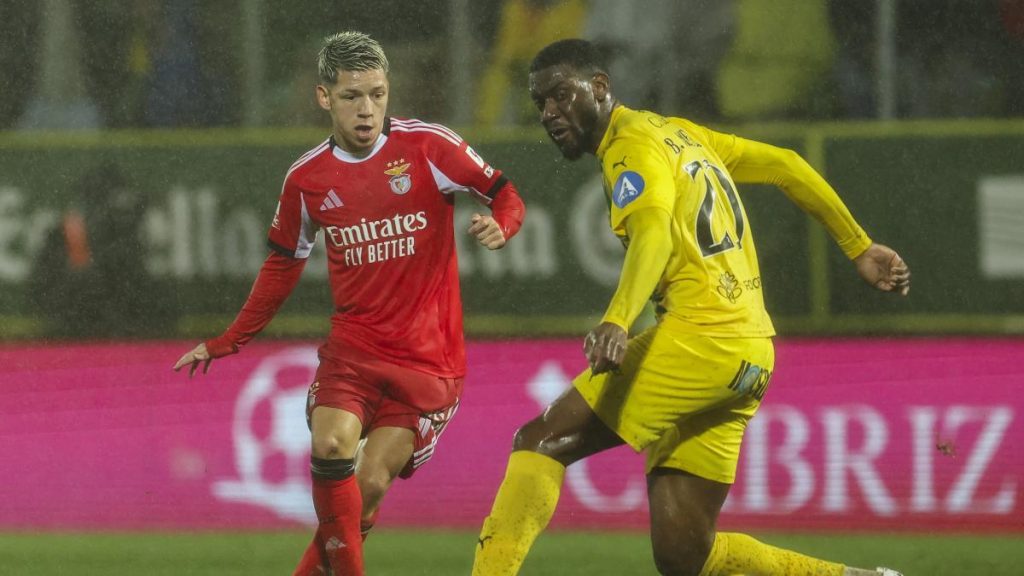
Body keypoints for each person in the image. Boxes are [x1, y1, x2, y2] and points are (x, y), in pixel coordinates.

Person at [471, 39, 909, 576]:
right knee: (685, 555)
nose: (551, 114)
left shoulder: (629, 147)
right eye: (541, 103)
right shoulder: (680, 134)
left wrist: (617, 319)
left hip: (701, 338)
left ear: (601, 87)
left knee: (540, 439)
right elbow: (788, 165)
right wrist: (858, 246)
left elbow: (652, 231)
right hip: (750, 356)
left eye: (562, 95)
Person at [173, 31, 525, 576]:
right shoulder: (307, 180)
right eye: (351, 96)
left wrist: (503, 225)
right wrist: (229, 340)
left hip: (427, 362)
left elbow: (503, 190)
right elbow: (281, 266)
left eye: (378, 95)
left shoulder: (428, 148)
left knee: (368, 487)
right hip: (355, 352)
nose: (367, 110)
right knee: (333, 444)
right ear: (323, 97)